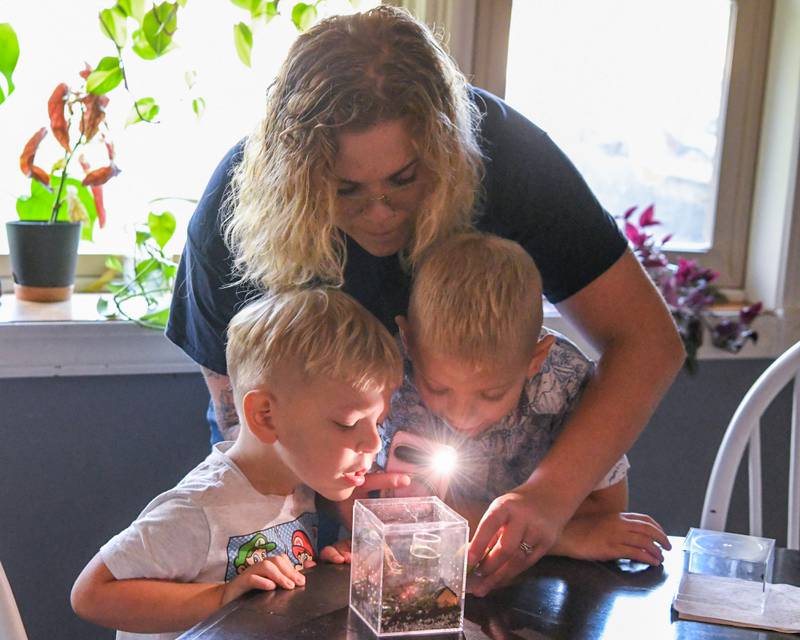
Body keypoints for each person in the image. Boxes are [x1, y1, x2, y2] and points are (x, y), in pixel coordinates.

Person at [166, 6, 684, 592]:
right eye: (346, 190)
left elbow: (647, 341)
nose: (379, 212)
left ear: (444, 151)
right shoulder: (238, 213)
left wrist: (549, 499)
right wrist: (338, 496)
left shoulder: (510, 161)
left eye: (404, 179)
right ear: (301, 177)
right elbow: (244, 425)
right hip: (298, 501)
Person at [71, 288, 403, 639]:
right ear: (266, 416)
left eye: (378, 422)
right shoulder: (201, 509)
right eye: (348, 424)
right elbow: (91, 594)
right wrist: (224, 597)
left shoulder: (298, 483)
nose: (373, 442)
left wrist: (325, 567)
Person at [372, 233, 671, 596]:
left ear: (536, 360)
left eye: (491, 394)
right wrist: (563, 537)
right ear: (409, 343)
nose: (462, 415)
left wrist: (519, 521)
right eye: (438, 388)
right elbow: (397, 514)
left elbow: (605, 509)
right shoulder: (395, 381)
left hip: (542, 590)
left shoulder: (565, 384)